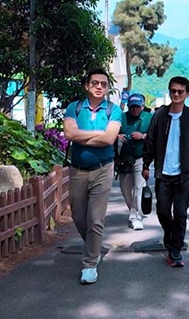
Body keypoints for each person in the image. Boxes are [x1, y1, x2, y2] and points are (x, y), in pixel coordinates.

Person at [62, 68, 123, 285]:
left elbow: (109, 140)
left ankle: (89, 264)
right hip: (78, 169)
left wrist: (82, 136)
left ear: (107, 88)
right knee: (78, 216)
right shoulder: (75, 107)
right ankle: (93, 247)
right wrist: (99, 133)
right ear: (87, 85)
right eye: (95, 83)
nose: (99, 87)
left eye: (103, 84)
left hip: (103, 169)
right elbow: (69, 134)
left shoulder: (114, 110)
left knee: (96, 219)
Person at [141, 77, 189, 267]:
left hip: (184, 174)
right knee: (162, 211)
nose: (176, 94)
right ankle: (170, 236)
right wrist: (146, 164)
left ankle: (175, 250)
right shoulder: (160, 115)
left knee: (180, 213)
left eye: (180, 91)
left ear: (187, 94)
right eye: (173, 91)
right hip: (163, 174)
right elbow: (150, 140)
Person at [116, 93, 152, 230]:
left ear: (142, 106)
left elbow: (156, 135)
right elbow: (111, 131)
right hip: (124, 159)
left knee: (138, 187)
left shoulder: (149, 117)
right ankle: (133, 209)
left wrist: (142, 136)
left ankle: (135, 216)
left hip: (141, 157)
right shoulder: (122, 117)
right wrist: (118, 136)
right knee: (125, 189)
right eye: (132, 107)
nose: (135, 110)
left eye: (137, 107)